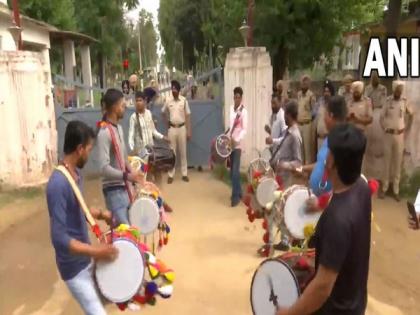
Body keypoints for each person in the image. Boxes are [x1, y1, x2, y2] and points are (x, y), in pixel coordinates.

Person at [277, 123, 371, 315]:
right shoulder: (361, 187)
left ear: (332, 162)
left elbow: (322, 287)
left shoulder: (337, 219)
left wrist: (290, 313)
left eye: (328, 152)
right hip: (355, 302)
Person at [46, 120, 117, 315]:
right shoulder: (58, 184)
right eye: (89, 149)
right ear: (79, 149)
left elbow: (79, 209)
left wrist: (102, 214)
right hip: (73, 269)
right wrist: (96, 251)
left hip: (85, 262)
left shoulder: (75, 175)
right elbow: (59, 238)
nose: (89, 153)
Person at [97, 89, 144, 225]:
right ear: (114, 107)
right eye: (122, 105)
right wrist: (128, 176)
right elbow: (103, 168)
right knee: (124, 236)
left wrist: (134, 173)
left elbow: (123, 158)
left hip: (124, 188)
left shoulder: (118, 128)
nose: (125, 108)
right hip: (114, 191)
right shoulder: (104, 133)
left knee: (129, 233)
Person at [296, 96, 348, 212]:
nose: (323, 119)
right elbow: (321, 164)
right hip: (318, 203)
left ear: (331, 116)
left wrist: (321, 204)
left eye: (324, 115)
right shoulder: (330, 137)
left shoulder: (345, 143)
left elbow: (347, 187)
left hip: (331, 210)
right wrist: (301, 168)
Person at [270, 100, 303, 251]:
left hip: (287, 177)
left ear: (289, 115)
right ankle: (284, 240)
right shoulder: (288, 132)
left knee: (286, 208)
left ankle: (289, 240)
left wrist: (284, 165)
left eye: (285, 115)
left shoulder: (295, 135)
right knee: (280, 208)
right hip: (280, 176)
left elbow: (298, 163)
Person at [379, 81, 413, 201]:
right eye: (397, 89)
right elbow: (381, 117)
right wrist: (384, 127)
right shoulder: (388, 101)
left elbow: (411, 114)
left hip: (400, 136)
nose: (399, 91)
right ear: (394, 89)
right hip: (388, 135)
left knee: (398, 163)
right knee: (386, 163)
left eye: (400, 89)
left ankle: (396, 190)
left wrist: (406, 130)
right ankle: (384, 188)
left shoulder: (405, 101)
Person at [162, 80, 192, 183]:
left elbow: (188, 115)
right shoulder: (168, 100)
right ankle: (171, 175)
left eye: (175, 89)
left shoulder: (184, 101)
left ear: (178, 90)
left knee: (183, 152)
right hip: (172, 129)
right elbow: (163, 112)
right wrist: (167, 124)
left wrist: (189, 131)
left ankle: (184, 174)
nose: (173, 90)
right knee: (172, 153)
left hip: (182, 128)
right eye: (172, 88)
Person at [364, 71, 388, 179]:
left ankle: (378, 176)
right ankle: (367, 175)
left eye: (376, 77)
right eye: (373, 77)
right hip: (369, 113)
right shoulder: (367, 89)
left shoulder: (383, 89)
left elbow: (384, 103)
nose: (374, 79)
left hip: (379, 113)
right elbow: (366, 100)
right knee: (368, 146)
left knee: (379, 147)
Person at [229, 86, 248, 207]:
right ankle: (240, 191)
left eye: (238, 97)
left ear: (241, 98)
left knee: (235, 171)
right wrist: (228, 138)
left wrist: (237, 140)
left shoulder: (244, 112)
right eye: (235, 97)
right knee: (231, 172)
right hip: (229, 143)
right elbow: (230, 125)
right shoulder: (231, 109)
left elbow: (244, 129)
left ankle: (235, 197)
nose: (236, 99)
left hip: (238, 144)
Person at [297, 75, 316, 164]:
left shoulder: (311, 96)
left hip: (307, 124)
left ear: (308, 84)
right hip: (299, 124)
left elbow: (314, 111)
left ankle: (307, 171)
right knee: (300, 149)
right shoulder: (299, 94)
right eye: (302, 82)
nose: (303, 84)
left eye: (306, 82)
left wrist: (309, 120)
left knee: (307, 149)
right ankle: (301, 170)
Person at [314, 80, 335, 151]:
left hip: (330, 139)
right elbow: (314, 115)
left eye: (328, 91)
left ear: (331, 92)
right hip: (319, 139)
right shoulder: (319, 103)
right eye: (325, 91)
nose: (326, 93)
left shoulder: (334, 104)